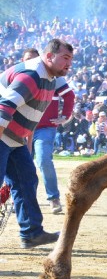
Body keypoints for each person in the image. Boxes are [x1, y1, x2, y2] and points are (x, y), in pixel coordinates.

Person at [1, 38, 74, 248]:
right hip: (2, 133)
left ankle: (32, 233)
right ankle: (31, 232)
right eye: (65, 58)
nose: (69, 64)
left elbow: (32, 115)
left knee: (26, 180)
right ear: (49, 56)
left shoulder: (50, 77)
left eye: (71, 59)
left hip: (14, 137)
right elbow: (4, 107)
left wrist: (27, 144)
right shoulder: (32, 75)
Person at [21, 49, 75, 215]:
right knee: (20, 165)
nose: (31, 62)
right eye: (27, 60)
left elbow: (70, 96)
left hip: (44, 129)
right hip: (23, 129)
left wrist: (64, 116)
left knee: (44, 160)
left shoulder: (54, 79)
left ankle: (53, 198)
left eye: (33, 59)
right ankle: (21, 200)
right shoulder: (20, 77)